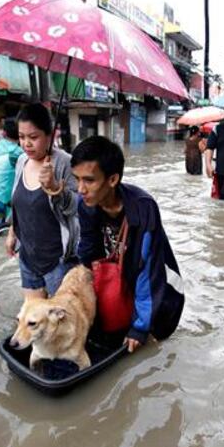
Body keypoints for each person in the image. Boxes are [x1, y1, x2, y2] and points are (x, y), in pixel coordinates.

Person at [71, 136, 185, 353]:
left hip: (154, 288)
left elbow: (148, 272)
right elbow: (88, 255)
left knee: (153, 345)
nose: (80, 189)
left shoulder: (143, 209)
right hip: (117, 277)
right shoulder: (85, 205)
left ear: (112, 179)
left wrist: (140, 328)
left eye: (89, 180)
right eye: (77, 179)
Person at [5, 103, 79, 299]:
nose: (26, 144)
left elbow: (78, 207)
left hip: (58, 261)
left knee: (60, 323)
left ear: (49, 135)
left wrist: (56, 189)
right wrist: (12, 233)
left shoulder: (65, 163)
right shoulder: (22, 161)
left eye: (33, 137)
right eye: (21, 137)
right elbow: (17, 203)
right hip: (28, 257)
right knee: (33, 322)